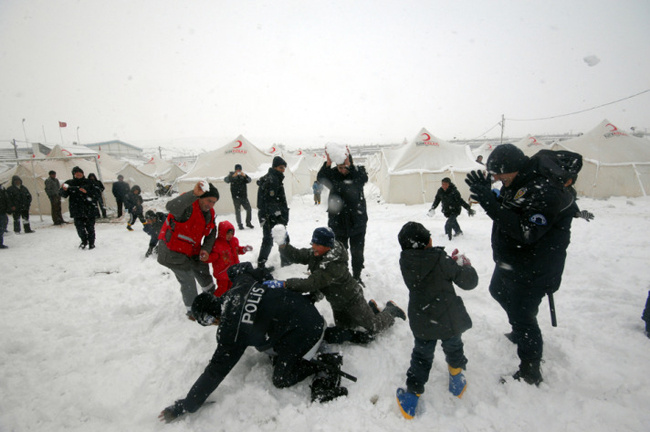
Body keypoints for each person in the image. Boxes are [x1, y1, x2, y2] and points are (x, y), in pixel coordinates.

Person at [158, 262, 348, 423]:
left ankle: (325, 359)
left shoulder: (231, 332)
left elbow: (214, 373)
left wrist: (185, 405)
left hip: (306, 328)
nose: (212, 324)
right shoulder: (238, 288)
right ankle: (318, 337)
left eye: (207, 321)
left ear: (210, 317)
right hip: (301, 309)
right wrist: (261, 278)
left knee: (281, 379)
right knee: (262, 343)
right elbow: (243, 268)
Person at [465, 144, 582, 385]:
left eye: (499, 174)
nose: (496, 179)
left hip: (535, 267)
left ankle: (530, 371)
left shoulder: (544, 190)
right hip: (513, 260)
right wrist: (492, 194)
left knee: (523, 315)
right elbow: (512, 211)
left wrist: (490, 203)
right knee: (497, 291)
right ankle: (522, 328)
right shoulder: (518, 183)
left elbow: (527, 232)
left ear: (515, 168)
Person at [394, 222, 478, 419]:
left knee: (421, 357)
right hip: (448, 318)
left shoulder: (406, 260)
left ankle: (411, 398)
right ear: (427, 242)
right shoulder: (440, 259)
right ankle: (456, 379)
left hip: (423, 319)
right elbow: (469, 282)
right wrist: (463, 264)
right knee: (454, 346)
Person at [268, 226, 405, 344]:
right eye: (313, 243)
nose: (313, 247)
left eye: (317, 244)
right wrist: (283, 245)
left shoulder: (334, 265)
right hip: (337, 302)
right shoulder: (317, 253)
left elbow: (312, 283)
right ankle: (371, 309)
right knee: (346, 328)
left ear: (327, 246)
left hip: (352, 300)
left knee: (373, 326)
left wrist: (285, 284)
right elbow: (298, 255)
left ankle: (391, 310)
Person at [157, 181, 219, 319]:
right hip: (172, 251)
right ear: (200, 197)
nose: (211, 205)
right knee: (187, 279)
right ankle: (193, 311)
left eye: (214, 202)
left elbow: (211, 233)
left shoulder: (209, 214)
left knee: (202, 269)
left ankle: (211, 295)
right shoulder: (187, 207)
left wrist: (206, 249)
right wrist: (193, 194)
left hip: (191, 250)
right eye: (209, 200)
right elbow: (170, 206)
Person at [317, 150, 368, 283]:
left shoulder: (358, 172)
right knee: (340, 253)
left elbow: (364, 178)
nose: (342, 170)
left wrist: (350, 166)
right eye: (339, 167)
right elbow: (320, 177)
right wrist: (327, 164)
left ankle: (357, 276)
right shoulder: (333, 175)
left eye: (344, 167)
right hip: (338, 222)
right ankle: (344, 276)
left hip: (357, 221)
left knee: (357, 253)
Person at [256, 156, 290, 268]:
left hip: (267, 215)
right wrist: (279, 216)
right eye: (281, 167)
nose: (283, 170)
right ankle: (285, 262)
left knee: (270, 239)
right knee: (278, 239)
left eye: (284, 168)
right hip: (271, 216)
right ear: (274, 167)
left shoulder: (272, 178)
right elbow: (270, 202)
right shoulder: (272, 180)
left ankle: (262, 263)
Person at [207, 220, 253, 297]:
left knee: (233, 287)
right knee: (222, 289)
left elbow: (237, 249)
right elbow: (213, 256)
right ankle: (215, 300)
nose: (230, 236)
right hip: (222, 272)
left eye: (231, 234)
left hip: (234, 271)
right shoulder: (217, 244)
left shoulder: (234, 241)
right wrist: (207, 258)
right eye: (227, 233)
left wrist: (244, 249)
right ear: (222, 232)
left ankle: (229, 299)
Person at [60, 166, 98, 249]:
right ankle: (84, 241)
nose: (78, 174)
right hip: (76, 209)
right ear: (74, 175)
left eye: (80, 173)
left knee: (90, 228)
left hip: (89, 209)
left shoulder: (89, 182)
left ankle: (91, 243)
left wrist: (87, 192)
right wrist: (64, 190)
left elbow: (97, 194)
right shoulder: (69, 183)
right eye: (76, 173)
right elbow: (63, 195)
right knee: (79, 228)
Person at [224, 164, 253, 230]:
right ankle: (239, 224)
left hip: (244, 196)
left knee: (249, 209)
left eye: (239, 169)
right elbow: (226, 180)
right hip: (235, 197)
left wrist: (245, 176)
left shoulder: (243, 176)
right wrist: (232, 176)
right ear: (235, 170)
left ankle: (248, 222)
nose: (238, 171)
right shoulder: (231, 175)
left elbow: (249, 180)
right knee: (238, 211)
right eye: (237, 169)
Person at [0, 183, 9, 249]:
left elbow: (6, 199)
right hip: (2, 211)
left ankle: (0, 243)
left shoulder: (2, 189)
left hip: (2, 211)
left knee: (2, 227)